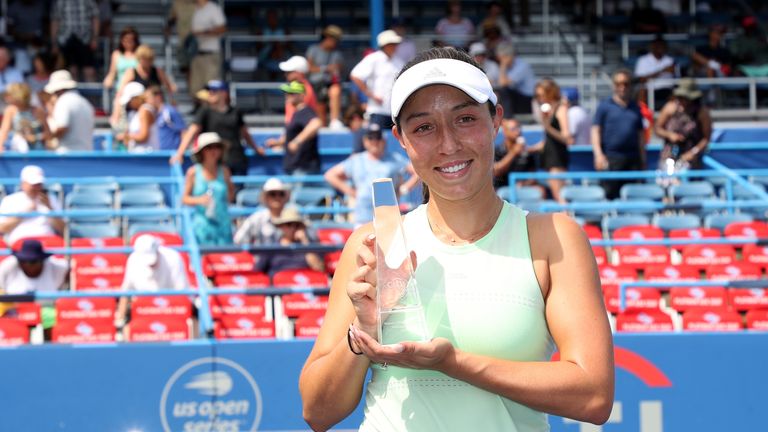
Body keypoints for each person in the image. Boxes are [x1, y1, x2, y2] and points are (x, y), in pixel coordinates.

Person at [299, 47, 614, 431]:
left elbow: (594, 395)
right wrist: (364, 332)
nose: (448, 144)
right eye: (424, 127)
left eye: (465, 119)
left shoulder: (551, 237)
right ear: (401, 138)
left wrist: (454, 363)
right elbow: (317, 411)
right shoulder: (372, 244)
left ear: (496, 120)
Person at [324, 124, 418, 226]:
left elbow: (418, 172)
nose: (374, 142)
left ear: (383, 140)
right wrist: (351, 191)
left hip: (388, 217)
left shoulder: (395, 159)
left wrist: (403, 189)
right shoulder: (357, 160)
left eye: (377, 138)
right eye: (371, 138)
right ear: (365, 141)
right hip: (363, 216)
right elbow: (330, 175)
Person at [172, 80, 264, 176]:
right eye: (209, 91)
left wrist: (256, 148)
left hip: (236, 159)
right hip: (215, 162)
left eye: (214, 91)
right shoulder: (204, 112)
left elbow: (245, 133)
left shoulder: (236, 112)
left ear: (224, 93)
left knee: (237, 188)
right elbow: (192, 131)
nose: (210, 93)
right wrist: (180, 153)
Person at [591, 69, 646, 200]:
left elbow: (640, 135)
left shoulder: (636, 107)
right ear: (613, 85)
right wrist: (598, 154)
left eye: (626, 83)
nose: (622, 87)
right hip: (611, 158)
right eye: (618, 83)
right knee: (610, 195)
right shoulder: (604, 106)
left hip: (633, 159)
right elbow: (595, 130)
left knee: (634, 197)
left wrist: (643, 159)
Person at [114, 234, 188, 326]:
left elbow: (182, 295)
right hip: (144, 309)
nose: (151, 265)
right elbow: (126, 292)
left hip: (170, 307)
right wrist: (120, 319)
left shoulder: (173, 258)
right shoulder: (133, 261)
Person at [182, 132, 235, 245]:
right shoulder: (193, 172)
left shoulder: (225, 171)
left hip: (222, 225)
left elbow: (230, 196)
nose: (213, 150)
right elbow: (184, 198)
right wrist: (200, 200)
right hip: (202, 226)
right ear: (202, 151)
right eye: (209, 147)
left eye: (217, 146)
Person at [350, 30, 405, 130]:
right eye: (392, 44)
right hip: (377, 110)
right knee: (375, 140)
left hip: (395, 111)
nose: (395, 46)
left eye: (395, 44)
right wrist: (372, 95)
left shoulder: (399, 61)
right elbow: (355, 75)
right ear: (385, 45)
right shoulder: (373, 59)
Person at [265, 81, 322, 175]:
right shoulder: (296, 113)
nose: (287, 95)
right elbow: (292, 134)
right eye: (287, 93)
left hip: (303, 168)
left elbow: (316, 123)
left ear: (301, 95)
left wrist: (297, 141)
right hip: (295, 167)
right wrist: (277, 142)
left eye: (292, 93)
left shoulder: (305, 111)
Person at [654, 78, 712, 171]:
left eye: (686, 98)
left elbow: (706, 138)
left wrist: (693, 152)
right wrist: (670, 135)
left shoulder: (702, 112)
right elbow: (657, 128)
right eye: (681, 97)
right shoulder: (670, 107)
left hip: (692, 160)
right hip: (669, 156)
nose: (683, 101)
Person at [0, 166, 65, 245]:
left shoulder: (51, 199)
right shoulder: (10, 200)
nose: (36, 188)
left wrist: (50, 208)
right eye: (33, 184)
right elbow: (2, 228)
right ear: (23, 184)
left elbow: (62, 229)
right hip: (22, 242)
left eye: (39, 184)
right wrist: (24, 214)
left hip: (48, 240)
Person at [532, 78, 572, 203]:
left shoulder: (561, 108)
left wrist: (547, 126)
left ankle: (568, 219)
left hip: (557, 158)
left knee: (559, 196)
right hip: (549, 157)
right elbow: (547, 140)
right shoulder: (550, 110)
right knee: (557, 195)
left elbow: (567, 138)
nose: (539, 98)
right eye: (537, 95)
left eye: (541, 95)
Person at [253, 206, 324, 276]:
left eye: (297, 225)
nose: (293, 228)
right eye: (289, 224)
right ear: (281, 226)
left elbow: (319, 269)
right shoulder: (272, 247)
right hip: (279, 285)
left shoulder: (310, 245)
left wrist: (304, 241)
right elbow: (258, 270)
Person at [44, 70, 95, 152]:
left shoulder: (64, 101)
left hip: (68, 154)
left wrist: (48, 137)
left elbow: (62, 128)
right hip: (86, 153)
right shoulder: (84, 102)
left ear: (59, 90)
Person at [50, 0, 99, 82]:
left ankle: (91, 94)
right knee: (71, 71)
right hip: (65, 39)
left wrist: (94, 38)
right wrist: (54, 43)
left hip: (85, 39)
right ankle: (72, 93)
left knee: (89, 71)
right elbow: (55, 21)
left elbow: (95, 18)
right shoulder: (59, 1)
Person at [305, 25, 344, 129]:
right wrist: (326, 69)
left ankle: (335, 121)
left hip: (329, 83)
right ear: (327, 37)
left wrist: (334, 71)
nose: (335, 42)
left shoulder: (337, 54)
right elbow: (309, 68)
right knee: (320, 110)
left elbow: (339, 69)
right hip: (315, 84)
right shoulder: (313, 49)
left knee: (335, 91)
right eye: (334, 39)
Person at [234, 177, 291, 246]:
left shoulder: (294, 218)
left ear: (285, 197)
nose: (277, 197)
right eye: (272, 194)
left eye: (281, 194)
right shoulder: (256, 219)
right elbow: (239, 240)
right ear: (265, 197)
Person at [0, 239, 68, 295]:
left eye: (32, 261)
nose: (27, 264)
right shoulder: (7, 266)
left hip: (48, 309)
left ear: (41, 260)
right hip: (14, 310)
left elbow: (70, 269)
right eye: (23, 260)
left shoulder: (56, 266)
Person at [188, 0, 227, 97]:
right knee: (196, 87)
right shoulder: (194, 8)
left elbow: (223, 28)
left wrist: (203, 33)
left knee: (211, 86)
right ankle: (201, 109)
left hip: (211, 54)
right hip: (197, 53)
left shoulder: (213, 9)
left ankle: (212, 110)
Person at [0, 83, 50, 152]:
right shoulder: (10, 110)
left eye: (9, 96)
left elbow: (48, 133)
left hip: (38, 151)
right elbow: (4, 131)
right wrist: (0, 146)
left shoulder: (38, 111)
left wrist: (35, 138)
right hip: (17, 151)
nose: (7, 98)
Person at [493, 117, 538, 188]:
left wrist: (524, 184)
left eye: (519, 128)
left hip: (522, 189)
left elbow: (533, 176)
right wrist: (513, 153)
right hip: (502, 190)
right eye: (513, 129)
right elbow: (496, 172)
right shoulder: (497, 151)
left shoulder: (527, 152)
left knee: (539, 190)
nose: (518, 131)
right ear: (505, 131)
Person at [634, 35, 676, 110]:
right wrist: (662, 71)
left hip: (666, 89)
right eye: (658, 45)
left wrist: (673, 72)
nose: (660, 47)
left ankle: (671, 116)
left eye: (662, 45)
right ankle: (642, 116)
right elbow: (641, 79)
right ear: (652, 46)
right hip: (649, 89)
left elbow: (676, 79)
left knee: (677, 93)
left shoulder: (670, 60)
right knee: (641, 92)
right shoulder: (643, 60)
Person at [116, 82, 160, 153]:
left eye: (130, 101)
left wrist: (126, 136)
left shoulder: (145, 110)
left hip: (147, 157)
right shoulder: (134, 113)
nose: (129, 104)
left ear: (136, 98)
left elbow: (143, 136)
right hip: (138, 156)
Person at [496, 42, 536, 115]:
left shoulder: (522, 66)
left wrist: (503, 66)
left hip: (528, 99)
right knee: (497, 92)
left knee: (504, 90)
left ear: (508, 56)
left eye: (502, 58)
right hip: (519, 97)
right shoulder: (509, 66)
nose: (500, 60)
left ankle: (507, 117)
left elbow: (502, 83)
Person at [278, 55, 318, 123]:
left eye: (289, 72)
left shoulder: (303, 90)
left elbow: (296, 118)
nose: (286, 74)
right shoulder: (297, 88)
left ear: (299, 73)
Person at [102, 27, 140, 92]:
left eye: (131, 40)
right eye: (125, 40)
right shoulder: (116, 54)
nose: (128, 42)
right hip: (121, 89)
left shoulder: (139, 53)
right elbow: (112, 72)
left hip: (136, 88)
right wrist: (108, 80)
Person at [150, 86, 186, 151]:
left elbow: (183, 131)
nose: (147, 101)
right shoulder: (156, 114)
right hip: (160, 153)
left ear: (157, 97)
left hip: (172, 153)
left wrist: (181, 151)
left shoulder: (170, 111)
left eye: (149, 98)